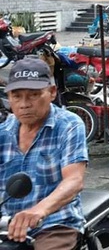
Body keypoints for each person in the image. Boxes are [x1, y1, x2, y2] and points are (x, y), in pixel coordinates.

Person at [0, 57, 87, 247]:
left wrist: (38, 210)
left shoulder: (68, 125)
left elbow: (74, 180)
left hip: (55, 223)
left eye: (33, 95)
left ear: (52, 92)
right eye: (17, 96)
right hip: (8, 224)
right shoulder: (3, 132)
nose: (24, 104)